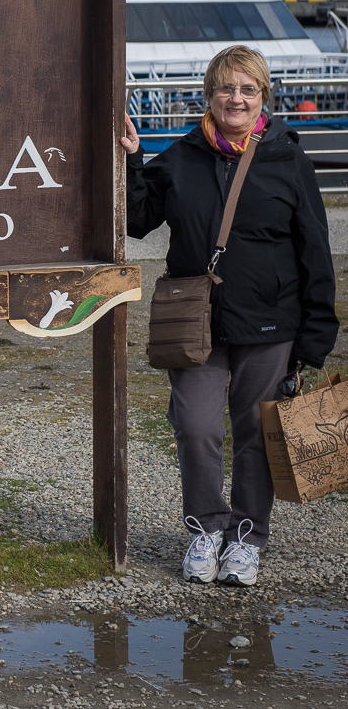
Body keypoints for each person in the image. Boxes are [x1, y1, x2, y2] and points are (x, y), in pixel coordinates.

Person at [123, 45, 338, 587]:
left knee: (255, 433)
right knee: (195, 427)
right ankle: (205, 528)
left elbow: (315, 249)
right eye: (226, 88)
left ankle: (246, 537)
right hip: (195, 322)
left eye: (247, 89)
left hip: (270, 323)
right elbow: (137, 220)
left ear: (263, 96)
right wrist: (132, 157)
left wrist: (316, 334)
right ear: (209, 95)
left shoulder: (287, 159)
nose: (236, 99)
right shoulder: (181, 157)